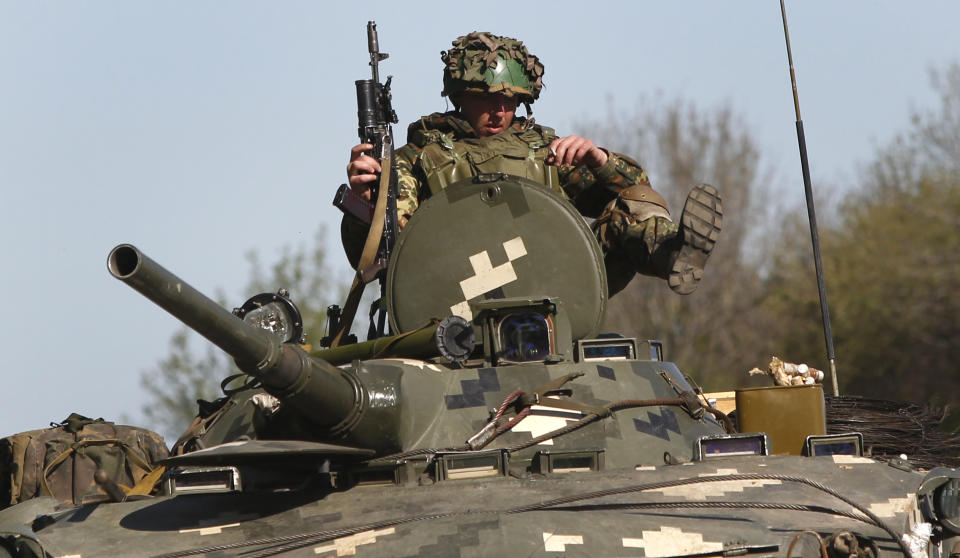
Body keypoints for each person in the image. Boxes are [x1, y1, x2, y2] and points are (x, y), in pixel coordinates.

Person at [342, 32, 721, 296]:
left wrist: (599, 160)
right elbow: (384, 252)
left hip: (556, 285)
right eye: (487, 98)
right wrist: (367, 203)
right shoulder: (420, 158)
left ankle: (675, 253)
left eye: (511, 100)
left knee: (628, 208)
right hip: (456, 296)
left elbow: (638, 192)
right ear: (461, 96)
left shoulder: (546, 152)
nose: (500, 110)